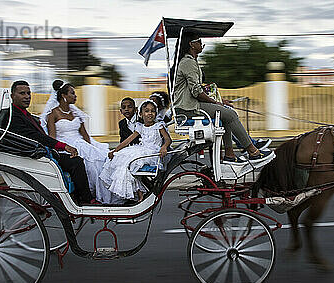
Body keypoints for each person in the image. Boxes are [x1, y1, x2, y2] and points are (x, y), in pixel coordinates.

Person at [172, 30, 273, 164]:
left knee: (225, 115)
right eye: (199, 41)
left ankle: (230, 155)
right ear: (191, 44)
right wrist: (215, 103)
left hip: (192, 105)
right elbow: (196, 91)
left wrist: (219, 102)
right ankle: (253, 152)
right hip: (189, 108)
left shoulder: (191, 62)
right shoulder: (188, 62)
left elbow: (198, 90)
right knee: (230, 114)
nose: (202, 44)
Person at [7, 80, 98, 205]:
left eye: (28, 93)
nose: (27, 96)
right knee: (76, 162)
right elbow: (36, 136)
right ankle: (86, 199)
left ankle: (79, 196)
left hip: (40, 151)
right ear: (12, 96)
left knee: (79, 159)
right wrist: (63, 146)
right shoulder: (14, 116)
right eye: (22, 93)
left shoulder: (25, 114)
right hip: (33, 155)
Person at [40, 80, 113, 204]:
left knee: (101, 161)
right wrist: (60, 149)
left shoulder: (76, 113)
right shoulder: (53, 114)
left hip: (80, 143)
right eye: (72, 93)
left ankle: (102, 194)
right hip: (65, 145)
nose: (75, 96)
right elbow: (52, 137)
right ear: (64, 96)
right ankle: (86, 196)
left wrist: (91, 148)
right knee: (88, 166)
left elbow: (85, 134)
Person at [100, 100, 172, 201]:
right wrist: (115, 151)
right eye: (146, 111)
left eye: (152, 111)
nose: (150, 113)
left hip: (152, 151)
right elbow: (127, 141)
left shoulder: (158, 126)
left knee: (134, 163)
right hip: (140, 148)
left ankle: (141, 192)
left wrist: (164, 147)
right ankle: (139, 191)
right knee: (122, 160)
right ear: (141, 114)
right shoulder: (140, 127)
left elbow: (168, 139)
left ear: (156, 113)